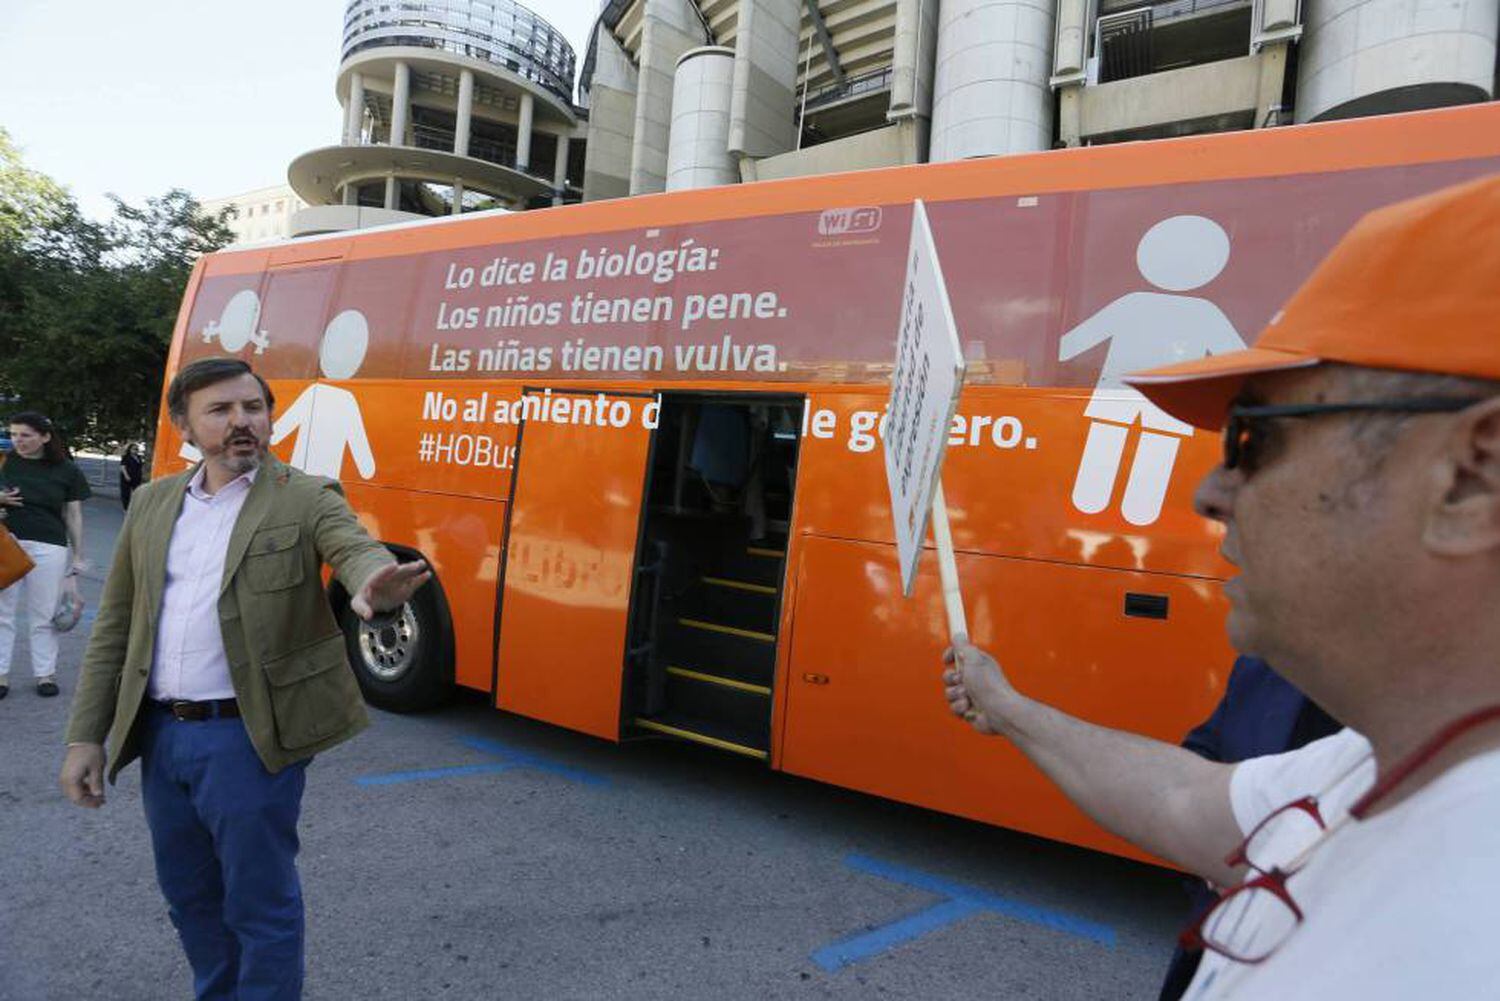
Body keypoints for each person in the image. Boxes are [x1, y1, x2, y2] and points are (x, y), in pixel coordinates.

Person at [942, 173, 1500, 998]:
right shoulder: (1385, 758)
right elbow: (1188, 799)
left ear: (1467, 477)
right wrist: (1008, 705)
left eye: (1253, 438)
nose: (1210, 491)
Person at [59, 357, 431, 1000]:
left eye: (252, 408)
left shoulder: (305, 495)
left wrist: (374, 583)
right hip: (162, 736)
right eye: (220, 411)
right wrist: (85, 737)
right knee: (190, 900)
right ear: (184, 425)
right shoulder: (152, 502)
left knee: (259, 907)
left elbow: (351, 545)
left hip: (248, 738)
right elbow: (115, 628)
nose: (241, 423)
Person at [1157, 656, 1340, 1000]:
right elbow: (1204, 748)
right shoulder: (1262, 666)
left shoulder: (1409, 709)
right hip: (1215, 936)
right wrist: (1210, 834)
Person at [0, 412, 90, 699]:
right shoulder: (3, 462)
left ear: (45, 437)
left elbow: (73, 514)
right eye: (14, 434)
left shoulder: (67, 470)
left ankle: (45, 674)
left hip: (50, 545)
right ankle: (1, 675)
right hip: (7, 544)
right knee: (3, 613)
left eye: (25, 435)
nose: (18, 440)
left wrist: (78, 555)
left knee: (45, 613)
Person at [118, 442, 144, 510]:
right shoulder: (126, 457)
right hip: (127, 477)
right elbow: (123, 467)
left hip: (136, 477)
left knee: (137, 492)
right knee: (126, 493)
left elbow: (140, 467)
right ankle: (126, 508)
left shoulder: (138, 457)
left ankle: (135, 506)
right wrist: (126, 475)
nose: (135, 451)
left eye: (137, 449)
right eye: (134, 449)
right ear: (130, 450)